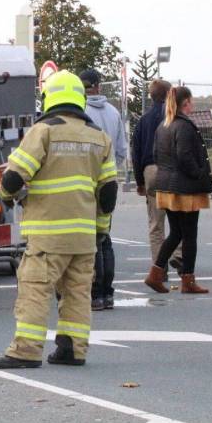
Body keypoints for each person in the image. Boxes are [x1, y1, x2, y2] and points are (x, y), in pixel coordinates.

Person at [0, 70, 118, 369]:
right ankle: (72, 349)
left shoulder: (43, 131)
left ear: (49, 97)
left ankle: (26, 350)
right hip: (85, 235)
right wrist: (100, 230)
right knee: (77, 293)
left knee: (35, 289)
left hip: (48, 234)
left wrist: (8, 197)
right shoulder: (99, 138)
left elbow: (14, 177)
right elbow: (108, 191)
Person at [144, 86, 212, 294]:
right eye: (191, 102)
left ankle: (155, 273)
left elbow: (156, 154)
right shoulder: (184, 126)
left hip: (166, 185)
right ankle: (188, 280)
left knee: (176, 233)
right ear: (186, 103)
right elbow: (184, 156)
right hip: (185, 188)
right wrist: (199, 173)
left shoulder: (163, 126)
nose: (192, 105)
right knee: (189, 235)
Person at [81, 69, 127, 311]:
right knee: (104, 237)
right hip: (109, 182)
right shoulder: (113, 113)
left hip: (86, 182)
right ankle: (108, 293)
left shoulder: (80, 113)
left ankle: (95, 294)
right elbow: (121, 149)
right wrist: (111, 169)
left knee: (91, 242)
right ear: (99, 86)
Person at [132, 79, 183, 272]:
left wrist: (139, 181)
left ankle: (158, 267)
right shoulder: (174, 116)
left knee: (156, 222)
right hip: (172, 168)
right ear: (170, 94)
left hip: (151, 170)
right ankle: (178, 255)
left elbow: (136, 151)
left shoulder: (143, 120)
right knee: (179, 216)